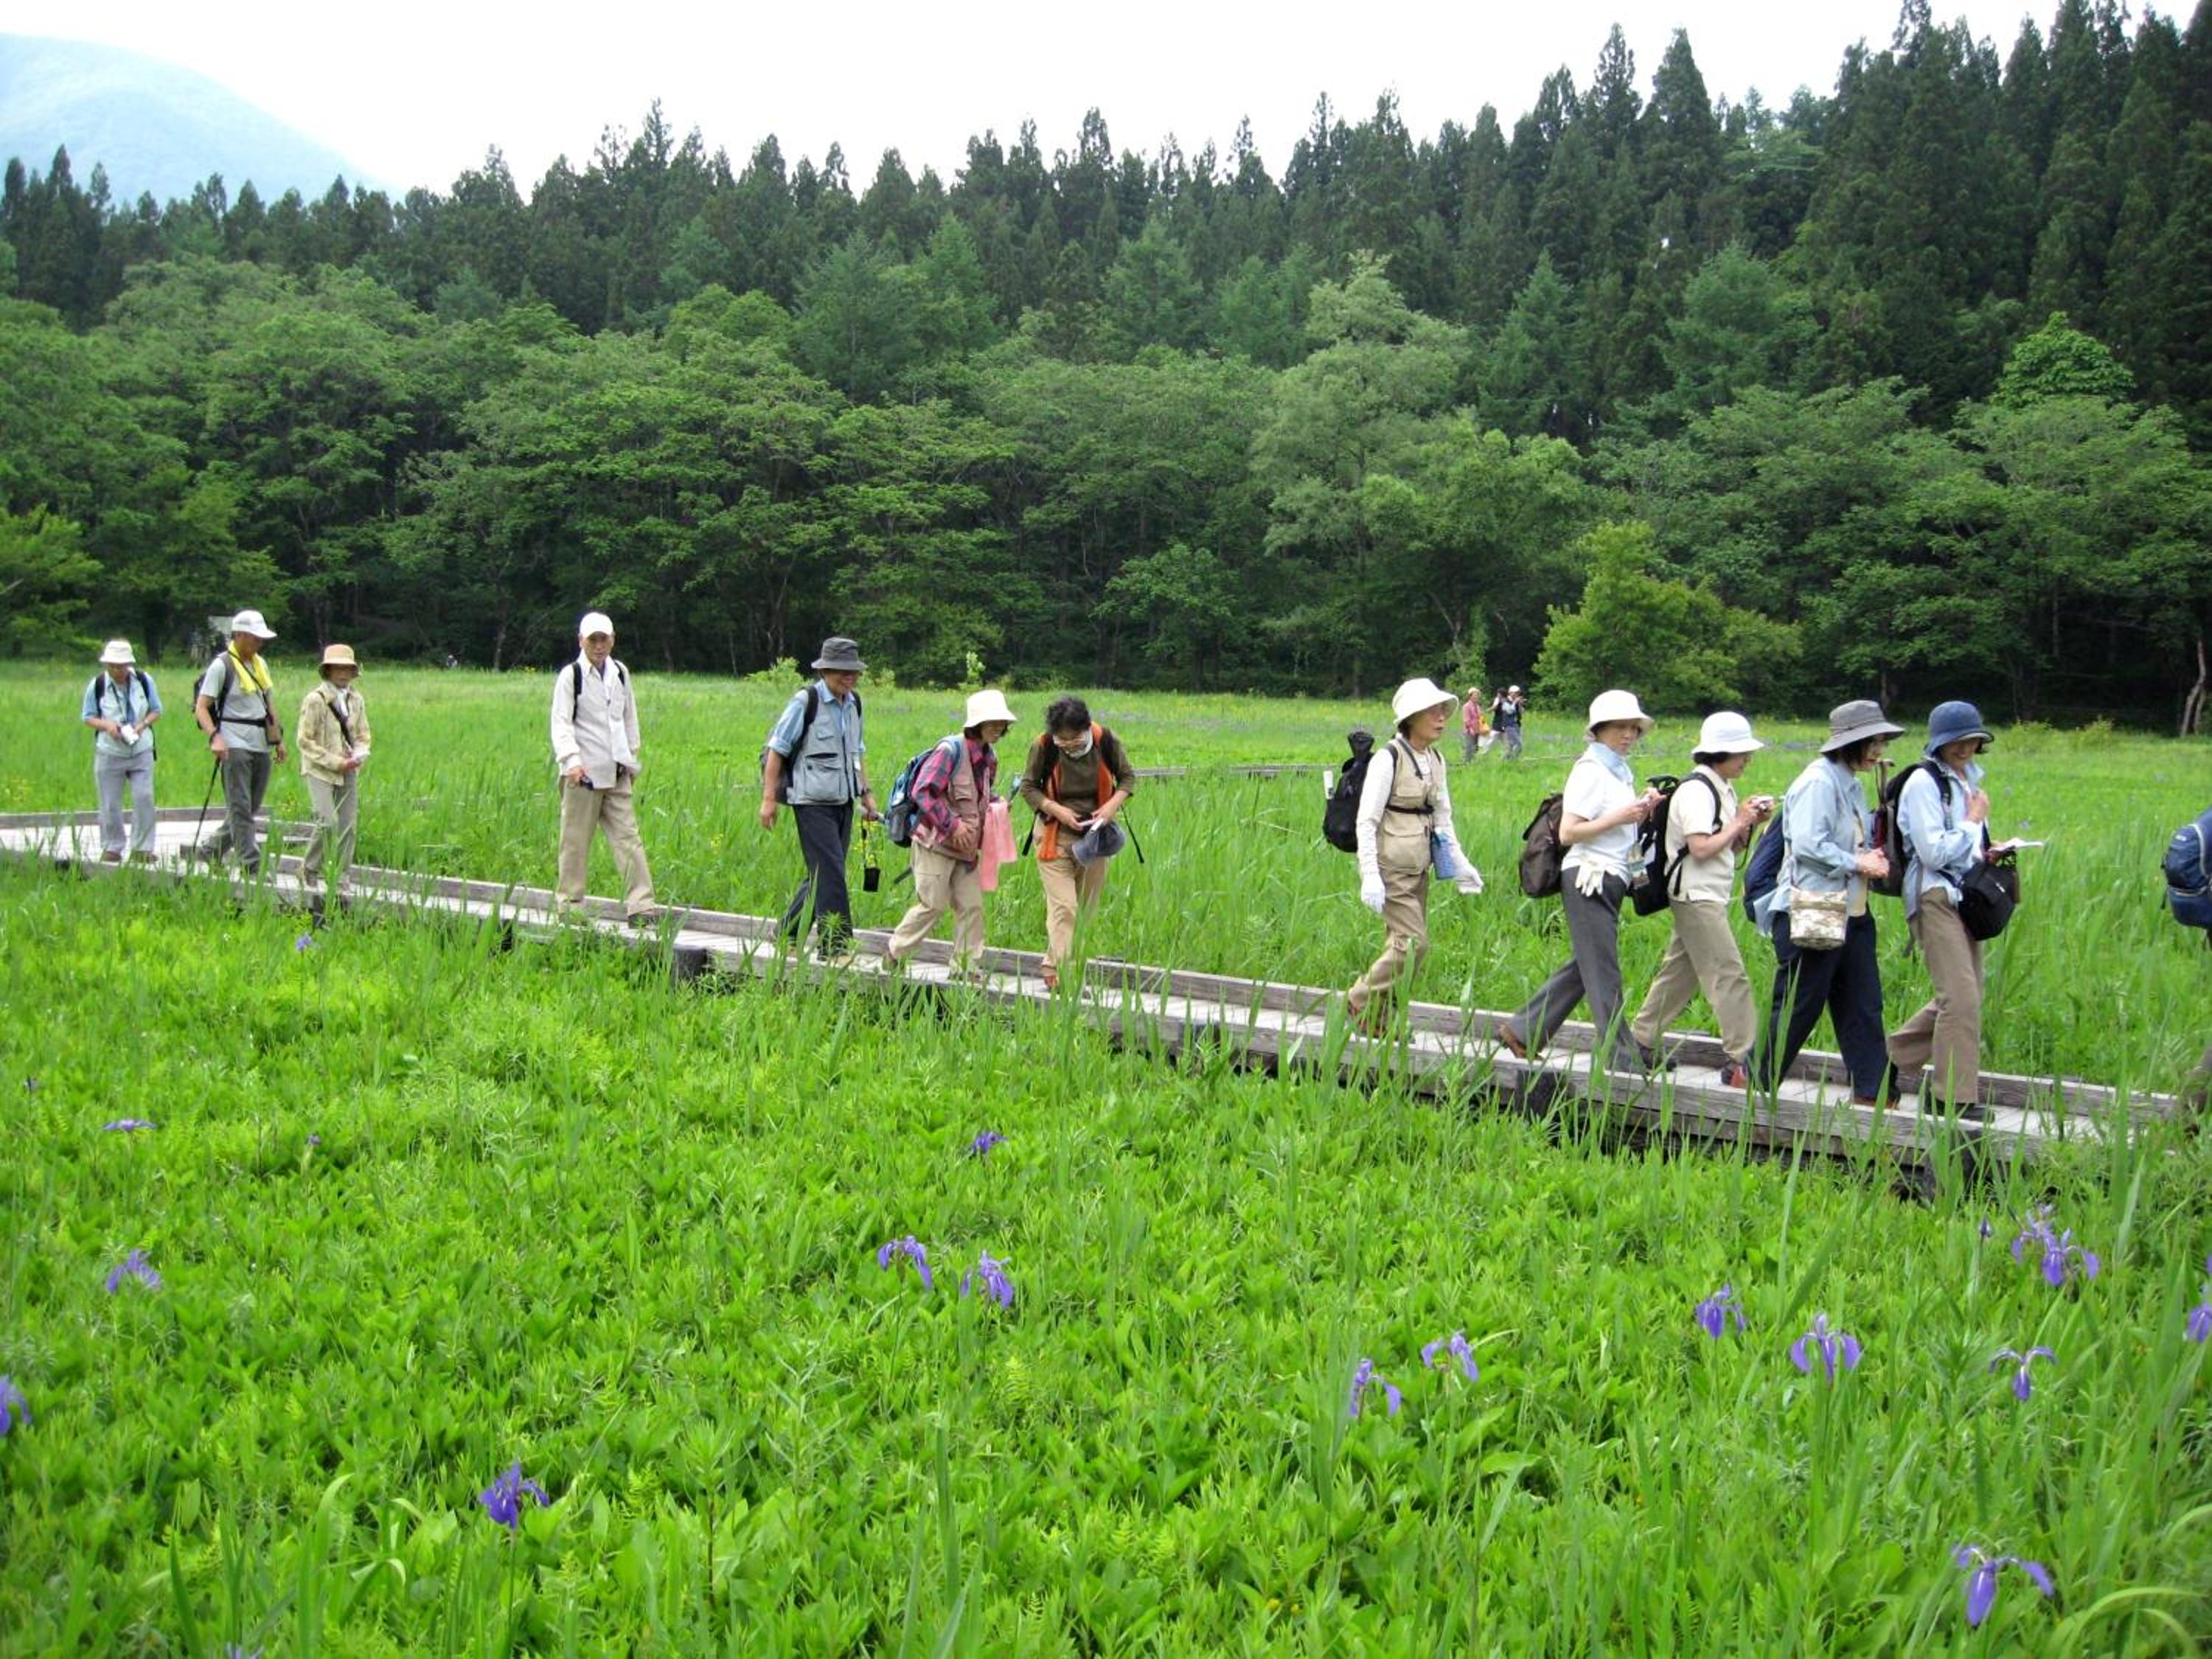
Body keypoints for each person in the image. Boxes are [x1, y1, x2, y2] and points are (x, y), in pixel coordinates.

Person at [1498, 690, 1663, 1074]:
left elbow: (1616, 826)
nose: (1629, 735)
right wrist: (1623, 815)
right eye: (1620, 727)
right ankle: (1620, 1055)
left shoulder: (1618, 771)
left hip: (1611, 875)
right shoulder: (1590, 769)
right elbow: (1569, 832)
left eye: (1634, 728)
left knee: (1588, 963)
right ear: (1599, 729)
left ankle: (1524, 1031)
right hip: (1590, 876)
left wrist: (1641, 810)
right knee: (1603, 969)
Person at [1748, 700, 1903, 1105]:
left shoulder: (1850, 782)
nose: (1878, 751)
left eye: (1881, 743)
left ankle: (1873, 1093)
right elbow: (1808, 844)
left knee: (1863, 1003)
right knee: (1800, 1004)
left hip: (1852, 912)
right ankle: (1754, 1081)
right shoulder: (1818, 782)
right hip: (1812, 910)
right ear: (1850, 744)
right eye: (1873, 743)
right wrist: (1859, 862)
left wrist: (1870, 857)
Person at [1627, 712, 1775, 1087]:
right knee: (1728, 973)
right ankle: (1743, 1059)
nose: (1747, 759)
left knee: (1682, 972)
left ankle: (1640, 1041)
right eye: (1741, 752)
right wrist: (1740, 822)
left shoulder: (1722, 787)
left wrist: (1748, 824)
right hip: (1696, 894)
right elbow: (1701, 847)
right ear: (1719, 752)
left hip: (1706, 892)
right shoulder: (1697, 790)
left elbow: (1726, 847)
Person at [1349, 679, 1482, 1033]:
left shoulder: (1435, 760)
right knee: (1414, 944)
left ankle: (1377, 1020)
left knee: (1398, 944)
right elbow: (1367, 820)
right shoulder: (1388, 759)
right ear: (1411, 717)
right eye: (1432, 711)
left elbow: (1443, 818)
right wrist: (1369, 874)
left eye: (1442, 710)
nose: (1441, 717)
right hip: (1390, 866)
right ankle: (1361, 998)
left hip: (1419, 865)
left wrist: (1460, 864)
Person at [1887, 700, 1997, 1105]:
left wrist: (1989, 849)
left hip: (1965, 895)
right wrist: (1973, 821)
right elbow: (1932, 852)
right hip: (1933, 895)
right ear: (1939, 743)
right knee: (1960, 998)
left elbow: (1964, 846)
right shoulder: (1923, 782)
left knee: (1966, 995)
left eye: (1972, 740)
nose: (1965, 748)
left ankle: (1887, 1060)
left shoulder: (1967, 780)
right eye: (1957, 742)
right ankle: (1952, 1099)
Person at [885, 690, 1016, 977]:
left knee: (972, 907)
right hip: (935, 844)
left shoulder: (989, 757)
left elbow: (979, 796)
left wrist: (996, 804)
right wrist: (953, 825)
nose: (998, 727)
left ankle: (965, 969)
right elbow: (923, 791)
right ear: (977, 723)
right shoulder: (949, 751)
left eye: (1002, 722)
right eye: (992, 721)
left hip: (966, 849)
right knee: (932, 905)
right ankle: (895, 954)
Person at [760, 638, 878, 956]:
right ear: (825, 671)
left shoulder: (854, 704)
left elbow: (857, 752)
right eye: (842, 671)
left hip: (844, 801)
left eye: (854, 672)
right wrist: (768, 800)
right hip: (811, 802)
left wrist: (866, 794)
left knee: (823, 873)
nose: (849, 677)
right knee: (831, 872)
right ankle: (835, 947)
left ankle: (787, 934)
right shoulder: (806, 701)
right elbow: (777, 751)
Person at [1018, 695, 1137, 992]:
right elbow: (1028, 787)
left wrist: (1111, 808)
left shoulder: (1105, 740)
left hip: (1094, 836)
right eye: (1063, 740)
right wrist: (1057, 810)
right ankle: (1068, 980)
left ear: (1087, 728)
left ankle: (1051, 965)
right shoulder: (1044, 745)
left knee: (1083, 912)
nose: (1069, 745)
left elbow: (1127, 779)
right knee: (1065, 908)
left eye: (1075, 739)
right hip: (1053, 835)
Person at [549, 610, 658, 925]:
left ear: (612, 640)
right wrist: (571, 761)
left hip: (617, 771)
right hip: (582, 775)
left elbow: (629, 718)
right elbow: (561, 723)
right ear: (581, 641)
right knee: (575, 842)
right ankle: (570, 907)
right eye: (592, 640)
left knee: (629, 839)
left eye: (603, 639)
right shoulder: (571, 675)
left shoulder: (620, 672)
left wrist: (631, 760)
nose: (598, 646)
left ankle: (641, 907)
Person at [193, 609, 286, 872]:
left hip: (260, 741)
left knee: (250, 806)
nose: (260, 642)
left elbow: (268, 702)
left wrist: (278, 739)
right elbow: (202, 707)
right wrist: (215, 737)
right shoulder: (222, 666)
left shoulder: (260, 665)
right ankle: (251, 864)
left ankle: (210, 851)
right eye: (255, 637)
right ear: (240, 635)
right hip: (234, 741)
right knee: (240, 806)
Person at [296, 644, 372, 914]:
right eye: (337, 668)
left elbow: (363, 734)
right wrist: (336, 761)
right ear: (328, 670)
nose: (343, 673)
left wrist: (359, 754)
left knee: (348, 825)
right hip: (320, 768)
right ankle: (309, 869)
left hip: (349, 768)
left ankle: (341, 878)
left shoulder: (356, 700)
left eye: (347, 668)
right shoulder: (315, 700)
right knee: (328, 822)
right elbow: (305, 741)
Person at [81, 639, 162, 863]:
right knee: (110, 802)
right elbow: (88, 716)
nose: (117, 670)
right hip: (109, 751)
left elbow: (157, 710)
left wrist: (142, 725)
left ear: (129, 664)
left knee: (144, 797)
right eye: (113, 666)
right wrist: (108, 726)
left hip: (141, 748)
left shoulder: (144, 681)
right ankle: (112, 847)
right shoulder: (97, 685)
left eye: (121, 666)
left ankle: (142, 849)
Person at [1489, 686, 1526, 760]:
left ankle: (1505, 760)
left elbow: (1522, 712)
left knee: (1510, 746)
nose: (1517, 695)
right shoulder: (1505, 701)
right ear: (1511, 693)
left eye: (1518, 693)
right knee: (1518, 744)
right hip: (1509, 726)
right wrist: (1515, 702)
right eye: (1515, 693)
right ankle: (1513, 760)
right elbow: (1510, 711)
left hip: (1516, 725)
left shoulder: (1516, 701)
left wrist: (1520, 704)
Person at [1460, 687, 1489, 763]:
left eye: (1477, 695)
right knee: (1469, 747)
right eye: (1474, 695)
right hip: (1469, 731)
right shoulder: (1466, 706)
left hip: (1478, 730)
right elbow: (1467, 721)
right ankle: (1466, 763)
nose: (1476, 697)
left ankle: (1472, 762)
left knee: (1475, 748)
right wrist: (1473, 729)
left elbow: (1481, 717)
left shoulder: (1478, 707)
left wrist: (1484, 727)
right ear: (1470, 696)